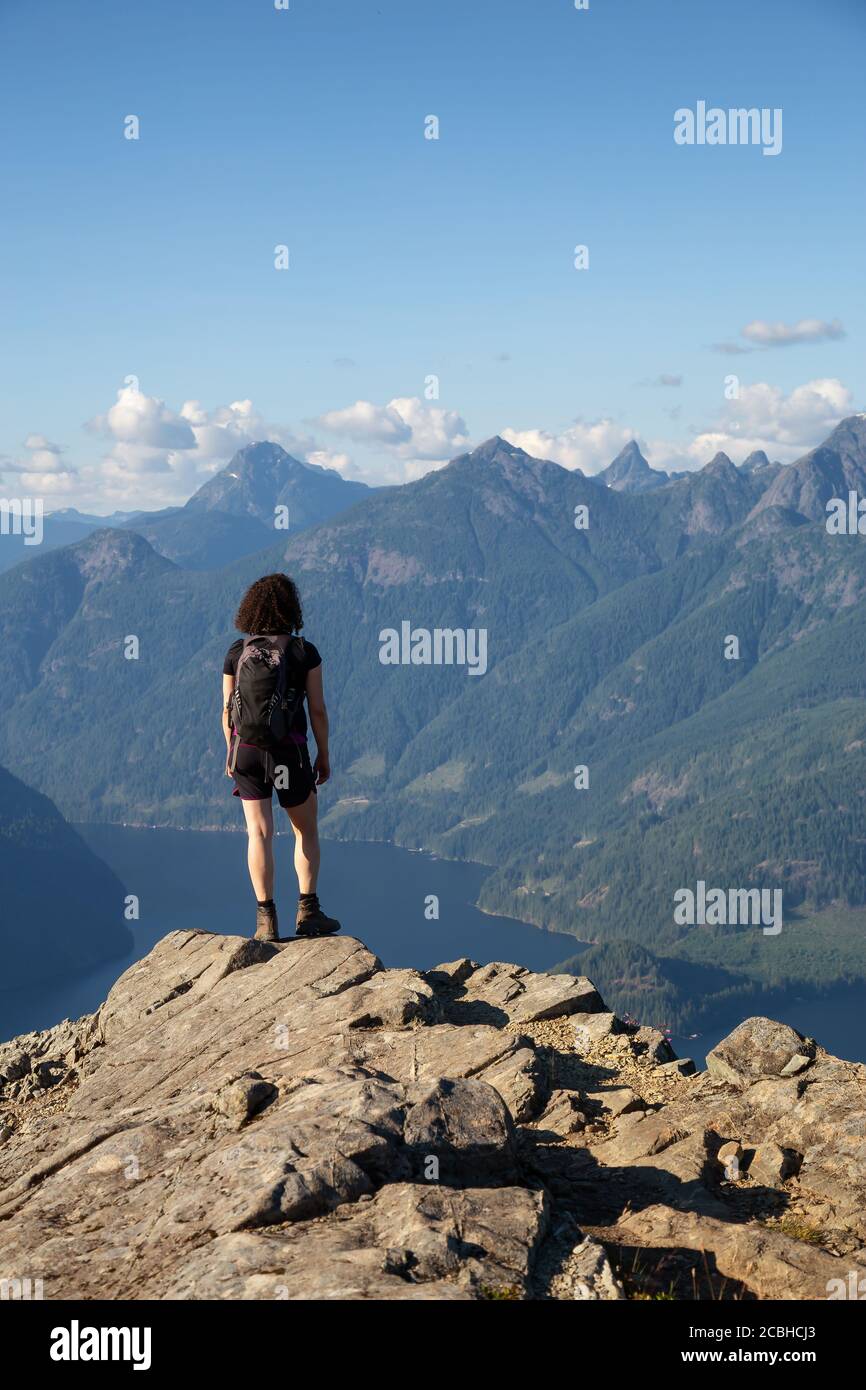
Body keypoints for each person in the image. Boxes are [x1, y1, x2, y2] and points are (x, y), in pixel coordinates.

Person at [221, 573, 341, 942]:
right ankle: (308, 912)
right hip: (288, 755)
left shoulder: (236, 652)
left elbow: (227, 711)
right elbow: (317, 710)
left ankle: (265, 921)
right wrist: (323, 754)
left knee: (258, 833)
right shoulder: (304, 652)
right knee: (304, 829)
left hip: (247, 754)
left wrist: (232, 753)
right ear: (291, 608)